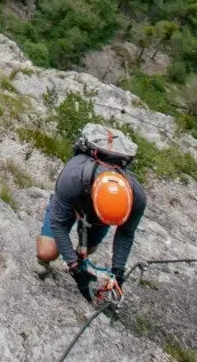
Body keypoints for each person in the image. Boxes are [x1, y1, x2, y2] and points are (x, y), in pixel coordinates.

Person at [36, 123, 146, 303]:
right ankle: (49, 261)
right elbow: (58, 224)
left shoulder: (137, 197)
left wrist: (117, 272)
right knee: (47, 252)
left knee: (88, 250)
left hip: (98, 217)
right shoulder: (73, 177)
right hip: (73, 203)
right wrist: (74, 267)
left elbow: (125, 233)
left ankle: (81, 255)